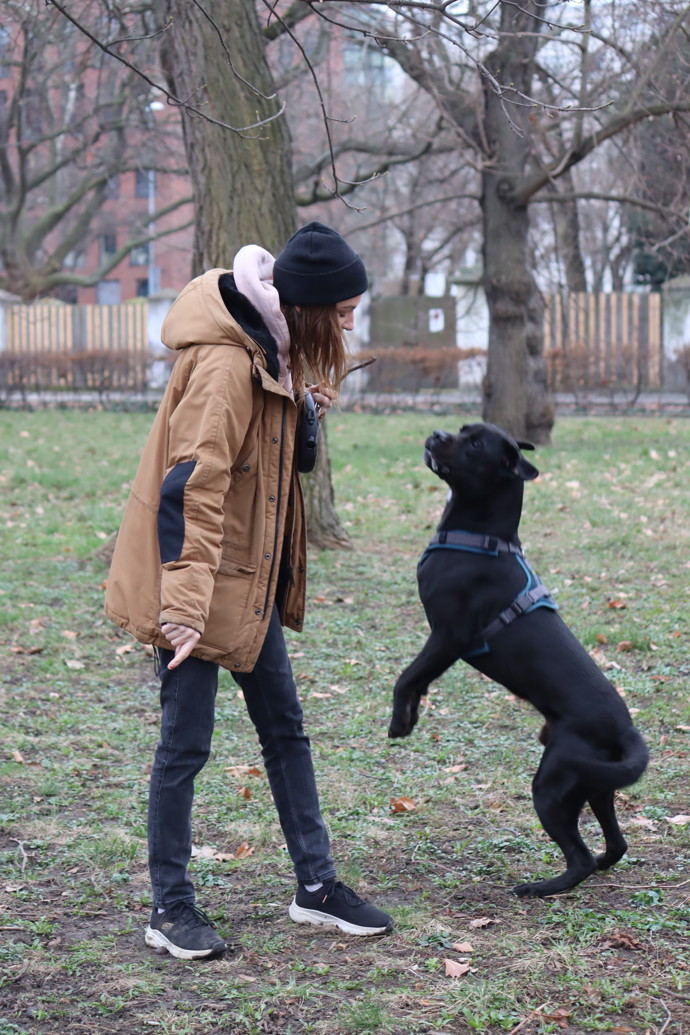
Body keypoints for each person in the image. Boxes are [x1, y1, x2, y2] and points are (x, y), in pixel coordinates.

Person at [105, 222, 393, 960]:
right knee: (185, 746)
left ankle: (316, 886)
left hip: (245, 581)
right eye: (344, 312)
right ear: (310, 308)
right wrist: (182, 610)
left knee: (286, 730)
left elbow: (270, 471)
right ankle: (170, 908)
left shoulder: (272, 351)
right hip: (198, 583)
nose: (350, 326)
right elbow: (193, 486)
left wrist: (305, 413)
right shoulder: (228, 363)